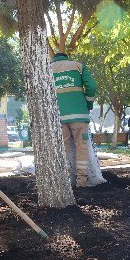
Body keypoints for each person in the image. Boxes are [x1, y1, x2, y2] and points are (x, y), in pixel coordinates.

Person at [51, 52, 97, 187]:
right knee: (81, 146)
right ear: (67, 57)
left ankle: (66, 182)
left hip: (58, 116)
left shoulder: (47, 70)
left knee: (64, 149)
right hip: (79, 115)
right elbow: (92, 86)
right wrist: (88, 103)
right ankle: (81, 181)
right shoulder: (78, 66)